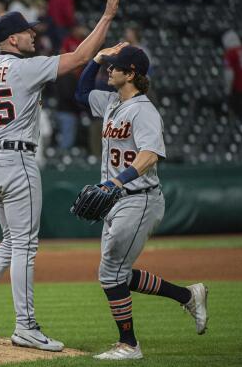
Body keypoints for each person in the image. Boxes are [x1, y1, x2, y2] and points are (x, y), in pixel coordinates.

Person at [0, 0, 121, 352]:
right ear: (12, 39)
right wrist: (106, 18)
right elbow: (78, 58)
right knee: (26, 245)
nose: (33, 34)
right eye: (28, 31)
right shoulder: (24, 68)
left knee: (12, 241)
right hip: (17, 162)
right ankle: (26, 326)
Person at [74, 45, 209, 360]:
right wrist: (95, 58)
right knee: (116, 272)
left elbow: (149, 156)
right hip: (117, 200)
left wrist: (118, 180)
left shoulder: (144, 110)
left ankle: (129, 345)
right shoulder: (111, 102)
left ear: (131, 72)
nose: (109, 70)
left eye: (114, 66)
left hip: (139, 199)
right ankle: (188, 295)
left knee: (110, 274)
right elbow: (81, 93)